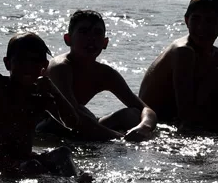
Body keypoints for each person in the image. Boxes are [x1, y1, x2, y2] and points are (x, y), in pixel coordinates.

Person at [0, 31, 93, 181]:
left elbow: (72, 123)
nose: (28, 66)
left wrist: (55, 91)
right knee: (33, 166)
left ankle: (73, 182)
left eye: (34, 61)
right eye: (21, 60)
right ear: (7, 63)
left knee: (62, 153)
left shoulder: (40, 97)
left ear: (44, 66)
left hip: (21, 159)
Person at [138, 0, 218, 131]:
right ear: (186, 21)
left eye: (210, 21)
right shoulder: (183, 52)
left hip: (191, 112)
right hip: (163, 118)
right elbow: (185, 112)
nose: (201, 27)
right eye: (196, 19)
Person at [41, 10, 159, 142]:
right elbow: (72, 115)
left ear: (105, 42)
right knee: (82, 112)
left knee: (132, 115)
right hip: (47, 126)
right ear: (68, 39)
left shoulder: (105, 74)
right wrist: (118, 138)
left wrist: (143, 127)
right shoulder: (60, 67)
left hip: (79, 124)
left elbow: (146, 109)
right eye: (83, 32)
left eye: (97, 33)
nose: (91, 38)